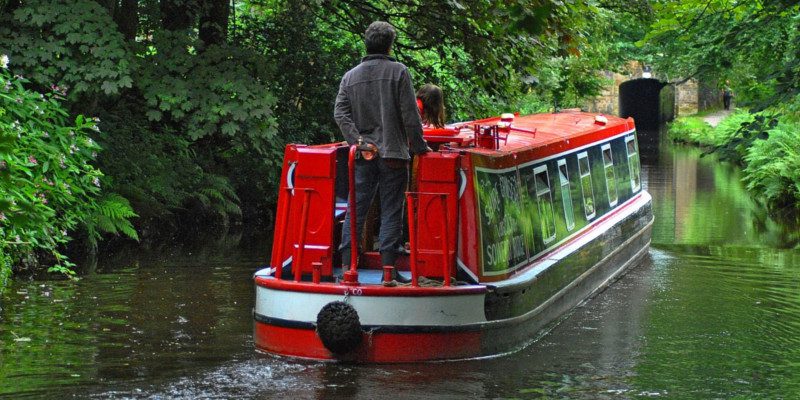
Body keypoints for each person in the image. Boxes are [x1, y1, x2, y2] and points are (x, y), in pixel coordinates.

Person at [334, 21, 429, 282]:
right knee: (391, 209)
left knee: (356, 207)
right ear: (389, 45)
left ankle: (346, 268)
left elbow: (340, 113)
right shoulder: (398, 72)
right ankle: (389, 271)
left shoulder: (350, 76)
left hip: (363, 156)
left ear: (367, 42)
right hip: (394, 154)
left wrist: (359, 142)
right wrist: (420, 147)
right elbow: (411, 116)